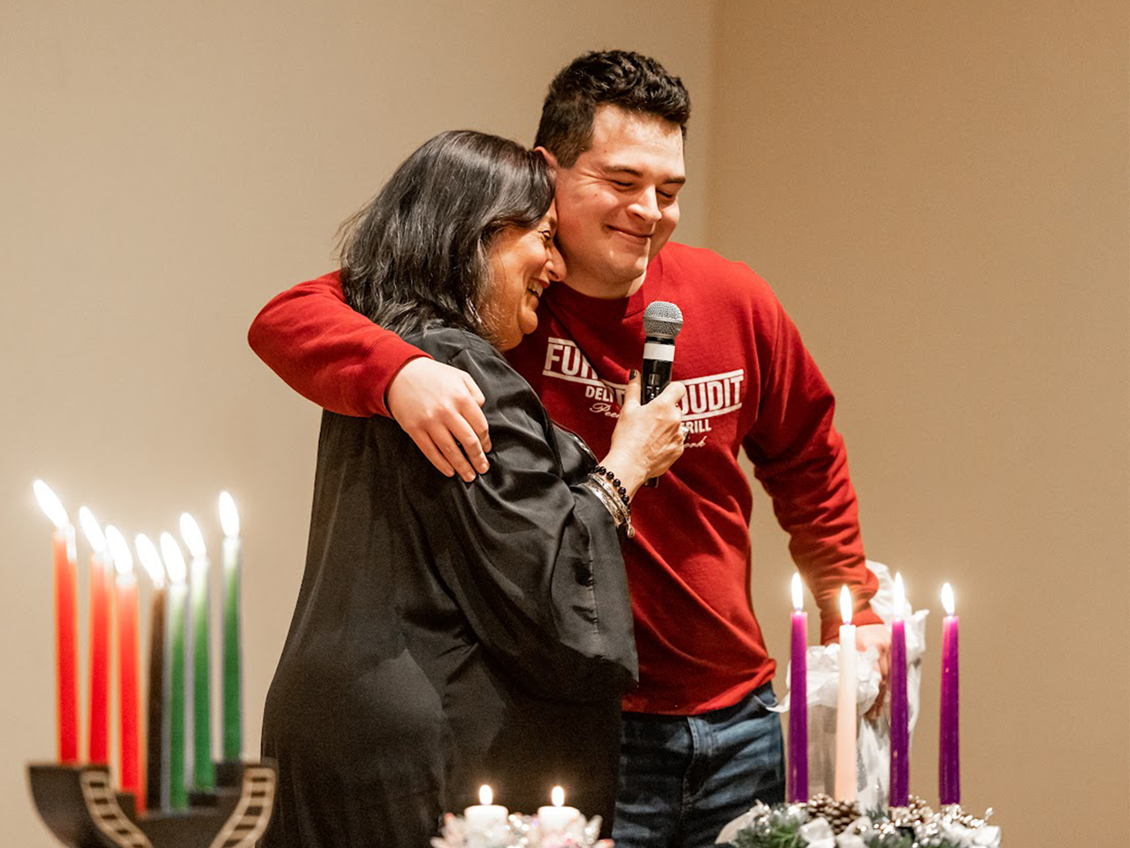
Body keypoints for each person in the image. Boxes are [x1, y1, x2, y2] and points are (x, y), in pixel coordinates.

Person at [250, 51, 891, 848]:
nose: (650, 210)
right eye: (622, 182)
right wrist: (398, 370)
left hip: (739, 717)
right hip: (585, 720)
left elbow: (807, 456)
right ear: (549, 172)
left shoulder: (733, 298)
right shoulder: (498, 298)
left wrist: (854, 606)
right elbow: (288, 316)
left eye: (670, 189)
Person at [258, 129, 687, 848]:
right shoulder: (459, 374)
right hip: (425, 744)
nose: (553, 264)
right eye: (544, 237)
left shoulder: (388, 354)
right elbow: (545, 577)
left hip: (328, 718)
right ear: (477, 237)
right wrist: (626, 467)